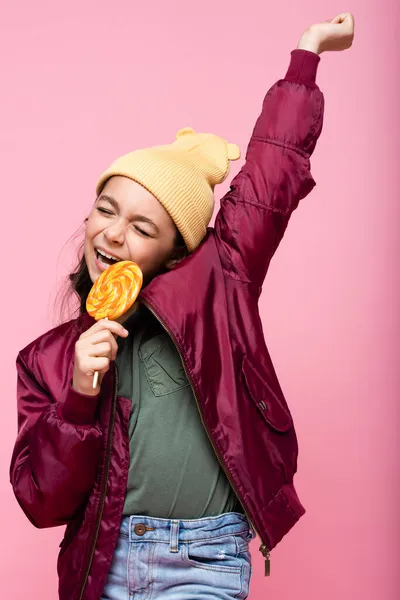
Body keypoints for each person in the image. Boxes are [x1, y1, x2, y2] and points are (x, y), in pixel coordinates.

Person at [10, 13, 354, 600]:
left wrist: (306, 55)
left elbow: (271, 176)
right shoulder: (47, 359)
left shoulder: (220, 283)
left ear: (177, 250)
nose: (113, 235)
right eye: (106, 208)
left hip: (205, 559)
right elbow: (43, 503)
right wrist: (80, 392)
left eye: (142, 226)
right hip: (105, 562)